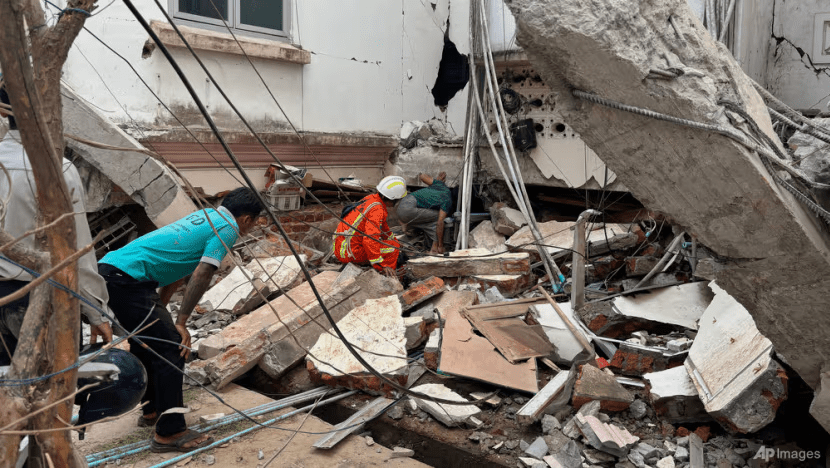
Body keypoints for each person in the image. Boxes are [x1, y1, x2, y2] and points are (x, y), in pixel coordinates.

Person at [98, 187, 262, 452]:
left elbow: (177, 269)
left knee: (148, 343)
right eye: (254, 223)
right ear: (246, 219)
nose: (252, 227)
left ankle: (152, 410)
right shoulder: (229, 227)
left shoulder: (206, 216)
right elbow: (203, 272)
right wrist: (181, 323)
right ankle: (170, 432)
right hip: (128, 280)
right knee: (172, 347)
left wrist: (161, 311)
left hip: (114, 271)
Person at [0, 86, 113, 366]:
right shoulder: (59, 169)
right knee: (44, 392)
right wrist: (97, 312)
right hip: (38, 298)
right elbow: (76, 252)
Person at [333, 175, 407, 277]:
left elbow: (384, 230)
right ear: (392, 199)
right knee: (393, 248)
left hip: (342, 247)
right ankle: (386, 277)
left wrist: (395, 241)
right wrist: (382, 265)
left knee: (394, 244)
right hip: (349, 252)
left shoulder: (372, 199)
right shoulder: (377, 210)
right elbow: (370, 239)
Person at [395, 171, 453, 254]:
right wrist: (441, 244)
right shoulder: (447, 201)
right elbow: (440, 223)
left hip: (401, 205)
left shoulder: (440, 185)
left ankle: (406, 223)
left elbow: (422, 176)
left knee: (428, 217)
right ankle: (435, 247)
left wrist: (437, 180)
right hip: (408, 211)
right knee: (438, 219)